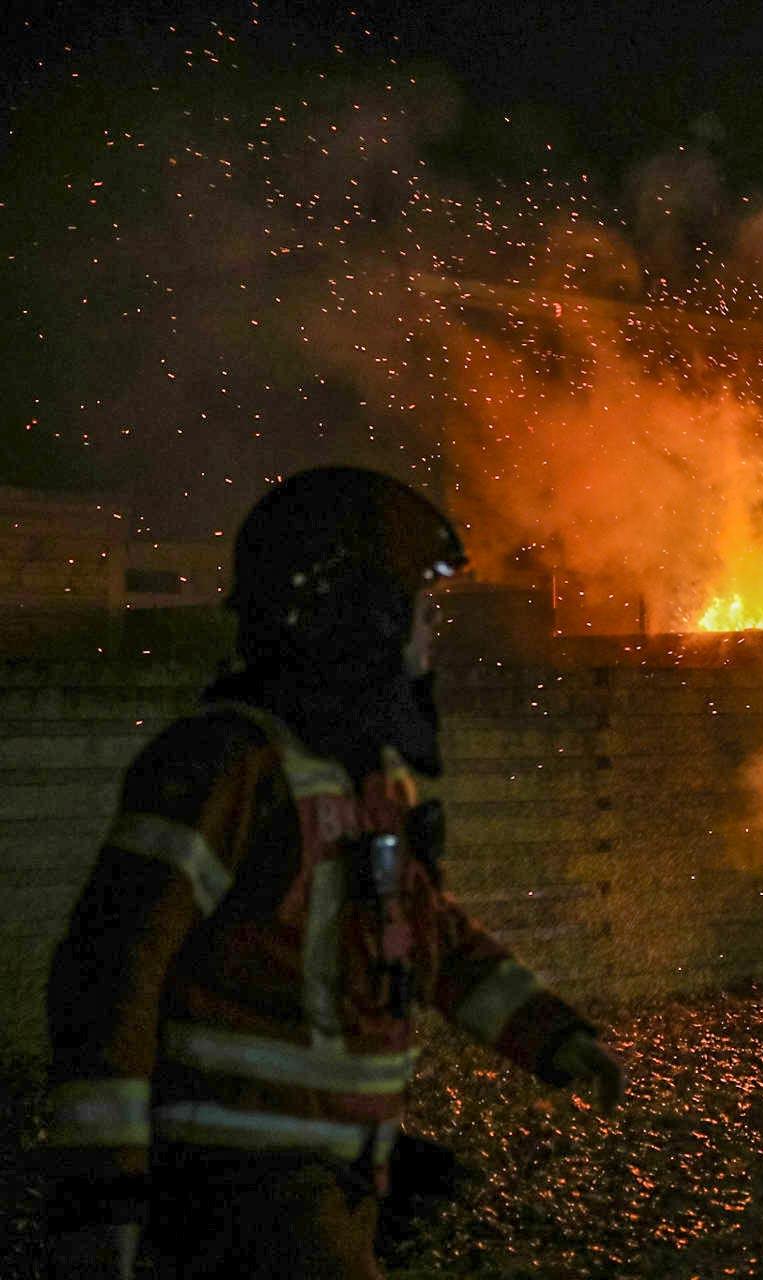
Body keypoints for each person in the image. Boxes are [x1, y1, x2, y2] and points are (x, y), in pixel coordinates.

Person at [41, 467, 625, 1279]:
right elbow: (113, 965)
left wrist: (551, 1036)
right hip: (236, 1184)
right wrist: (104, 1193)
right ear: (353, 621)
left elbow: (431, 939)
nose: (427, 647)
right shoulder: (227, 767)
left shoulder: (368, 781)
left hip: (331, 1172)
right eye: (417, 618)